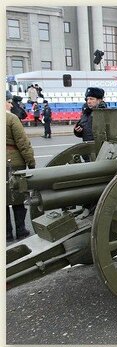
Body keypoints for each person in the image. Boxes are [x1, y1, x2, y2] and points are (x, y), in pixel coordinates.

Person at [6, 93, 35, 242]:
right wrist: (31, 162)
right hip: (13, 161)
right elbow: (22, 142)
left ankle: (7, 233)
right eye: (9, 102)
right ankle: (20, 229)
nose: (11, 105)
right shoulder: (11, 118)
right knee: (17, 197)